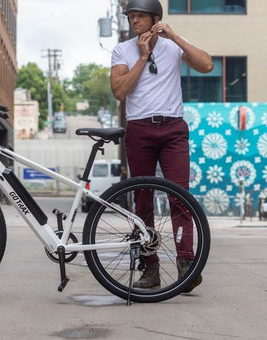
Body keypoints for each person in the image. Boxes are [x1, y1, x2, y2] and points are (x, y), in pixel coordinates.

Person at [110, 0, 213, 291]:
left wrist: (175, 37)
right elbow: (119, 91)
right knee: (142, 201)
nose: (134, 21)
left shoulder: (173, 45)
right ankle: (150, 269)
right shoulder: (123, 50)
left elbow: (206, 65)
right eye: (131, 16)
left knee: (180, 197)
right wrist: (142, 57)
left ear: (156, 19)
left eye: (141, 16)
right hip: (140, 128)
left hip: (173, 129)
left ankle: (186, 265)